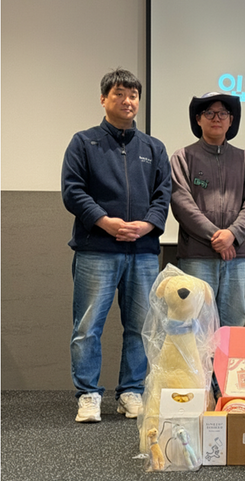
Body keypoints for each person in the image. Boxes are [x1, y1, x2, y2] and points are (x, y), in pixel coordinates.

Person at [61, 68, 171, 422]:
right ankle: (88, 394)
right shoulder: (84, 142)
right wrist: (104, 221)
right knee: (87, 327)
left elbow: (163, 194)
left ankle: (131, 391)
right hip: (97, 248)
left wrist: (147, 225)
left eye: (133, 95)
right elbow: (73, 190)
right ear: (103, 98)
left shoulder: (154, 147)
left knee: (140, 326)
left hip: (142, 251)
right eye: (119, 94)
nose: (127, 101)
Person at [170, 92, 245, 328]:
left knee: (233, 324)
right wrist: (217, 237)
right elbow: (181, 203)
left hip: (235, 256)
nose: (216, 118)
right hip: (196, 255)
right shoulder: (183, 157)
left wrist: (232, 235)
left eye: (223, 113)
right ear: (198, 119)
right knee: (194, 324)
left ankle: (226, 359)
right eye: (209, 113)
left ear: (231, 120)